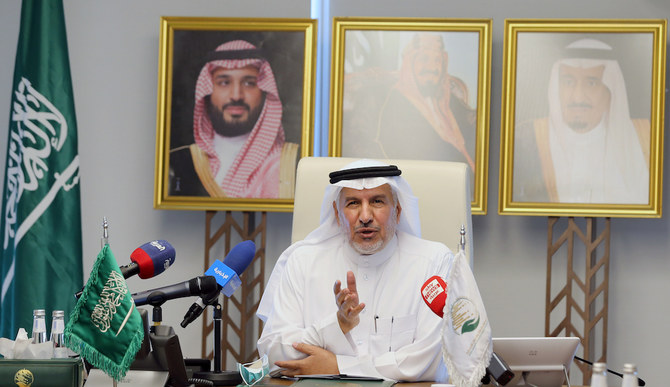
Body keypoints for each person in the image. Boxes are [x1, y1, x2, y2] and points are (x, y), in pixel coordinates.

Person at [256, 159, 486, 381]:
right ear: (337, 214)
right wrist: (334, 327)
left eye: (377, 201)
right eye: (353, 203)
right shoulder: (303, 261)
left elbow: (432, 359)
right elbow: (273, 353)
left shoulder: (434, 262)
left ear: (397, 211)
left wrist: (338, 366)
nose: (365, 217)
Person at [513, 38, 650, 204]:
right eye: (568, 82)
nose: (577, 96)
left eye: (591, 83)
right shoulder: (526, 138)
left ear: (610, 89)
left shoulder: (644, 138)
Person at [169, 40, 299, 199]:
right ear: (208, 91)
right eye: (224, 83)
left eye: (249, 83)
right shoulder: (178, 162)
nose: (236, 95)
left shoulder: (292, 163)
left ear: (265, 91)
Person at [342, 33, 477, 187]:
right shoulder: (394, 105)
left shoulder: (448, 100)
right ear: (410, 63)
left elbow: (472, 124)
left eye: (437, 60)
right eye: (424, 59)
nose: (432, 67)